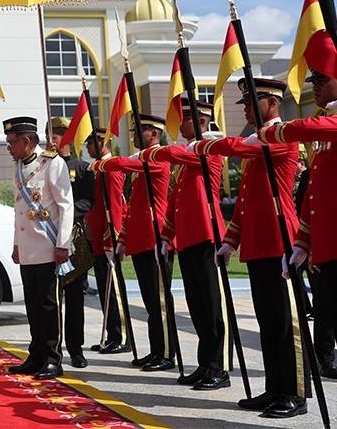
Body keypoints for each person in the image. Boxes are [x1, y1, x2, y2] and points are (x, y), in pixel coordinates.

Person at [196, 78, 305, 418]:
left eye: (250, 102)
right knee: (267, 323)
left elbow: (246, 149)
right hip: (257, 244)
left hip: (279, 239)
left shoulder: (282, 136)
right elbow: (244, 203)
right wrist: (230, 242)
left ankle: (295, 393)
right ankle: (275, 389)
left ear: (272, 103)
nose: (244, 108)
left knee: (285, 324)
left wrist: (210, 145)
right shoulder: (256, 141)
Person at [140, 97, 229, 391]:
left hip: (206, 236)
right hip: (189, 239)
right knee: (197, 306)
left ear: (202, 122)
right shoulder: (186, 159)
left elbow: (173, 154)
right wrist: (167, 235)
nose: (182, 124)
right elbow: (177, 202)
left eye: (187, 119)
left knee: (212, 306)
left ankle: (219, 368)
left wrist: (149, 153)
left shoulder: (207, 151)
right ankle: (205, 364)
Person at [258, 69, 337, 380]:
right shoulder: (324, 130)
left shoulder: (326, 124)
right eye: (313, 83)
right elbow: (314, 195)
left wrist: (269, 132)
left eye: (322, 82)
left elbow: (308, 126)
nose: (315, 88)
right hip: (327, 246)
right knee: (326, 314)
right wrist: (304, 242)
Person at [95, 113, 174, 372]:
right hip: (140, 238)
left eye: (139, 131)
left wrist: (102, 164)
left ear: (154, 133)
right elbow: (135, 208)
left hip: (154, 236)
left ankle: (165, 353)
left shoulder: (158, 157)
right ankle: (155, 350)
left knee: (159, 300)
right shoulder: (142, 163)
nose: (134, 137)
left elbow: (125, 165)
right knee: (151, 301)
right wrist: (123, 239)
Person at [4, 116, 74, 381]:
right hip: (28, 249)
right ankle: (36, 355)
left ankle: (53, 358)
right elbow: (19, 210)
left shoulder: (52, 163)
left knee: (48, 305)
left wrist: (62, 244)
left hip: (48, 246)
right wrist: (15, 244)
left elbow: (66, 206)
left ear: (26, 141)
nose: (9, 148)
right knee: (33, 305)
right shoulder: (19, 167)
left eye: (12, 143)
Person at [50, 116, 94, 369]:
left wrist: (66, 214)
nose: (52, 142)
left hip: (74, 238)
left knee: (75, 297)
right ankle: (52, 348)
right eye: (51, 137)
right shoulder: (44, 166)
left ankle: (76, 349)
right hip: (49, 236)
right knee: (51, 298)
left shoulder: (83, 168)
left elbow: (89, 201)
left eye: (56, 137)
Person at [84, 129, 131, 355]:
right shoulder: (100, 169)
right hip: (98, 238)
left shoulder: (110, 169)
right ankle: (112, 334)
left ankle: (120, 336)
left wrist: (111, 240)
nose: (88, 148)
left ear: (105, 142)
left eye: (92, 143)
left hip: (107, 238)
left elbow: (114, 207)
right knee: (105, 289)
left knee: (114, 291)